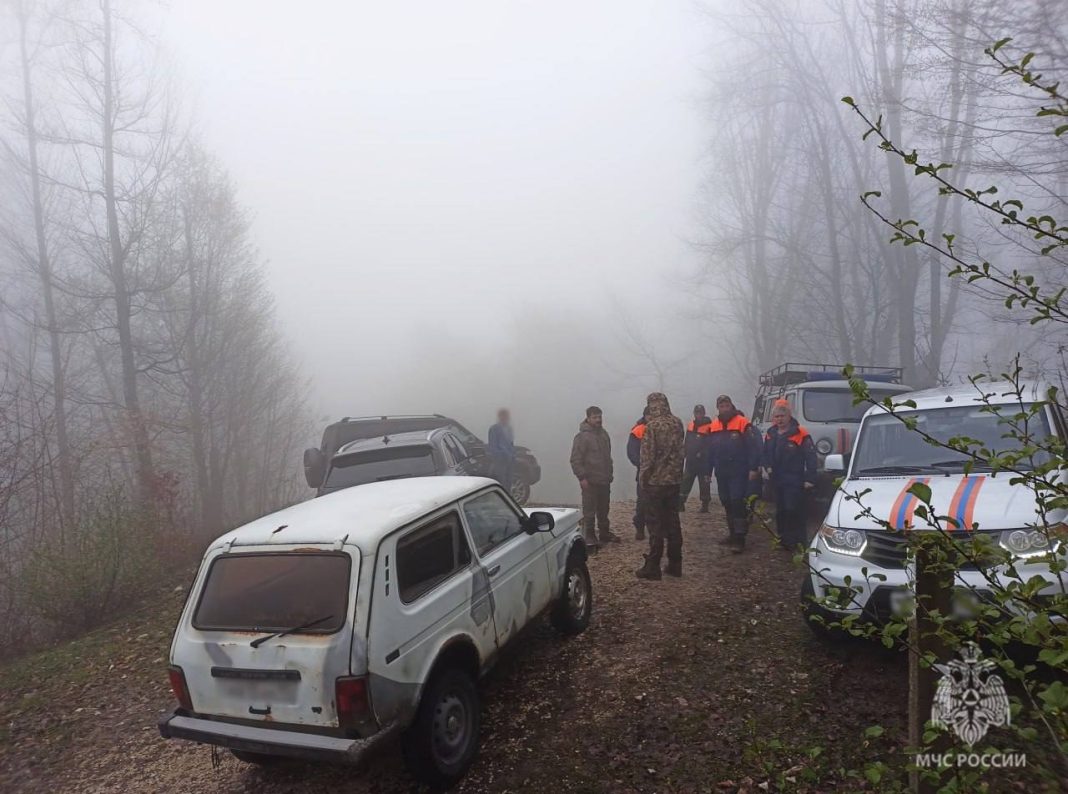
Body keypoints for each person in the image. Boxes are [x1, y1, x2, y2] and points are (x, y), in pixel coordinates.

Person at [635, 392, 685, 579]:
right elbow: (681, 451)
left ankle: (653, 567)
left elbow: (647, 458)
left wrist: (643, 478)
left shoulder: (651, 426)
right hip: (674, 481)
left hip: (655, 483)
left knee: (655, 525)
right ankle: (675, 564)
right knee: (673, 522)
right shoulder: (677, 423)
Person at [706, 394, 762, 553]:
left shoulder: (742, 422)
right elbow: (710, 451)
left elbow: (754, 447)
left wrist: (753, 468)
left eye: (726, 405)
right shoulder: (714, 425)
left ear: (731, 406)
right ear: (718, 408)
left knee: (737, 501)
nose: (724, 409)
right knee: (726, 502)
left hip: (739, 470)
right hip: (721, 471)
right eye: (721, 406)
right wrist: (707, 471)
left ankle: (740, 539)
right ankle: (732, 533)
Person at [762, 399, 817, 549]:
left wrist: (810, 478)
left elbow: (811, 457)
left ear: (789, 416)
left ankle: (799, 543)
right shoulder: (771, 433)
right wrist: (767, 467)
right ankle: (783, 539)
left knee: (794, 510)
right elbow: (765, 453)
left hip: (794, 479)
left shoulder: (800, 433)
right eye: (777, 416)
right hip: (776, 479)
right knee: (781, 511)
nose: (779, 419)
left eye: (782, 416)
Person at [570, 406, 618, 546]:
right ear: (588, 418)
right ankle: (589, 536)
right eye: (595, 417)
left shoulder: (604, 435)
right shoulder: (582, 437)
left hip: (604, 479)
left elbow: (607, 457)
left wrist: (610, 473)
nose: (598, 420)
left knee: (604, 509)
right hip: (590, 480)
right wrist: (582, 477)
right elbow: (575, 459)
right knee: (589, 510)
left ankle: (604, 533)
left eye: (600, 417)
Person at [679, 404, 713, 512]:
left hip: (703, 461)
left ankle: (705, 504)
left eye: (700, 413)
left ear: (704, 413)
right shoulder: (690, 425)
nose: (698, 415)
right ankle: (681, 503)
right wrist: (684, 451)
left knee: (704, 483)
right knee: (686, 481)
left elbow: (710, 444)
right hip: (690, 459)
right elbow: (687, 440)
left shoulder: (709, 426)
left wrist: (702, 453)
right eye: (696, 413)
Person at [627, 407, 651, 541]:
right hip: (643, 472)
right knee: (642, 502)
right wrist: (641, 465)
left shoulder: (662, 428)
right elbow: (631, 452)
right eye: (648, 415)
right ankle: (640, 528)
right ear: (645, 416)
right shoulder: (638, 430)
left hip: (661, 473)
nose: (651, 417)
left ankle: (659, 529)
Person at [487, 408, 515, 491]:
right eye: (503, 416)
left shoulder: (509, 429)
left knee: (509, 481)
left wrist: (512, 455)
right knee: (501, 481)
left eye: (506, 416)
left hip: (509, 460)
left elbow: (511, 444)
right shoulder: (494, 429)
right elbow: (493, 446)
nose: (505, 418)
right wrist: (501, 455)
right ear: (499, 417)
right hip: (500, 460)